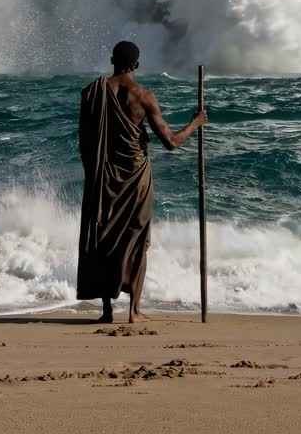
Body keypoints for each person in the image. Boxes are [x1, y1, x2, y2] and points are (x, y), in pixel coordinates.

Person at [77, 40, 207, 323]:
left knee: (104, 239)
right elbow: (171, 142)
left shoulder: (91, 93)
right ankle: (134, 311)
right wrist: (196, 123)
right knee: (137, 240)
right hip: (136, 179)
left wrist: (95, 173)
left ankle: (107, 311)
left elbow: (85, 142)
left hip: (103, 177)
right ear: (137, 65)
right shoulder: (144, 96)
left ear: (112, 60)